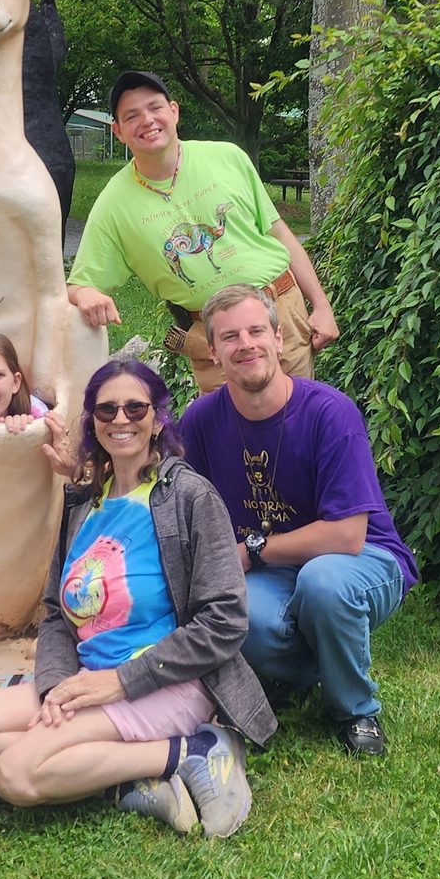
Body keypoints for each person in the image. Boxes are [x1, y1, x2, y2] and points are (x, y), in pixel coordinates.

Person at [0, 359, 276, 838]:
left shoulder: (190, 498)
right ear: (91, 421)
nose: (121, 419)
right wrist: (55, 685)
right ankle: (128, 776)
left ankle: (195, 748)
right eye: (107, 409)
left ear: (159, 417)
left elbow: (224, 621)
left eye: (136, 407)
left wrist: (119, 682)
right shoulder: (83, 501)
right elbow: (58, 612)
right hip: (87, 675)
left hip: (166, 681)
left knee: (14, 773)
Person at [180, 284, 418, 756]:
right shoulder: (201, 420)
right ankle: (311, 669)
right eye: (230, 337)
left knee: (323, 584)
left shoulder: (330, 413)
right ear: (213, 351)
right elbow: (171, 496)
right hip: (273, 569)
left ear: (276, 335)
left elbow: (348, 536)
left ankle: (355, 708)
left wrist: (250, 550)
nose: (245, 344)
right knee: (233, 613)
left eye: (255, 331)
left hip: (361, 559)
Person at [67, 71, 339, 393]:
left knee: (299, 424)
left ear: (174, 111)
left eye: (155, 108)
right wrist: (86, 294)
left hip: (282, 313)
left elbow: (280, 234)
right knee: (227, 437)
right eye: (132, 116)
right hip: (212, 338)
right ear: (118, 131)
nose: (147, 120)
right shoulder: (113, 204)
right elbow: (78, 285)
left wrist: (321, 306)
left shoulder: (228, 158)